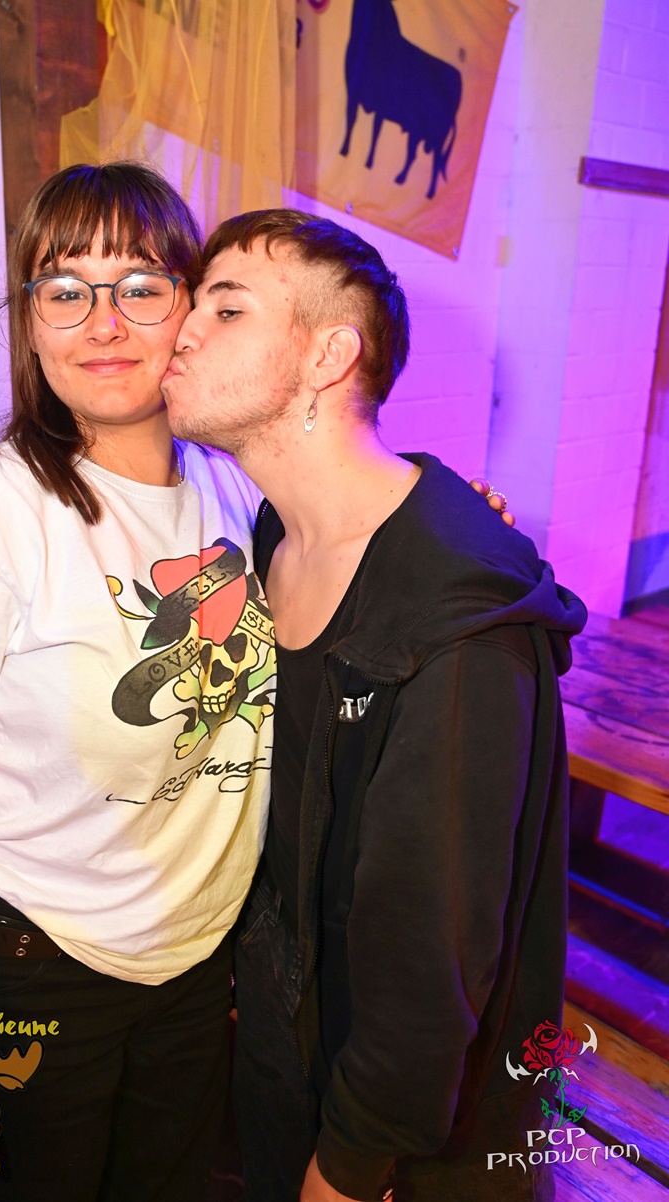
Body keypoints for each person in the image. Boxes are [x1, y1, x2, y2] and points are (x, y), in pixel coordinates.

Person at [0, 163, 276, 1202]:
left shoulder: (234, 489)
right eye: (65, 288)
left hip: (198, 965)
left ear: (189, 309)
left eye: (140, 284)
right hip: (33, 968)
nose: (103, 322)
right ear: (30, 320)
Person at [162, 209, 587, 1202]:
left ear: (328, 355)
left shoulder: (453, 616)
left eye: (227, 308)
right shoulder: (276, 532)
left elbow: (431, 950)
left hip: (406, 1141)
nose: (183, 328)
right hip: (291, 1043)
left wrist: (352, 1160)